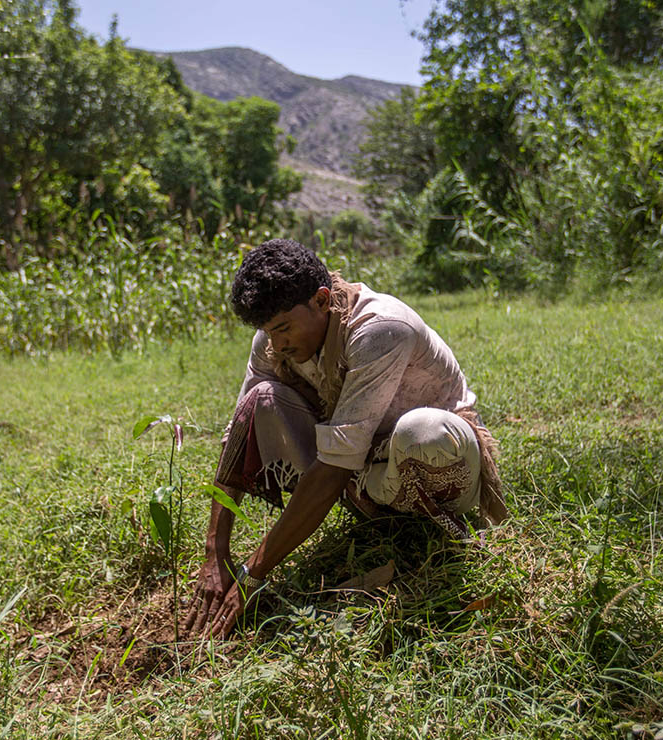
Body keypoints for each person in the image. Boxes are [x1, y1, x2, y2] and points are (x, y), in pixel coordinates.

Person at [186, 239, 507, 638]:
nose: (278, 343)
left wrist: (253, 572)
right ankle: (379, 520)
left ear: (322, 300)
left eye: (284, 327)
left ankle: (433, 538)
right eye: (268, 331)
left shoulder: (381, 329)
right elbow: (240, 434)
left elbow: (336, 465)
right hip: (363, 478)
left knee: (423, 435)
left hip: (435, 466)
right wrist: (216, 554)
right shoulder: (272, 344)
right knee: (261, 400)